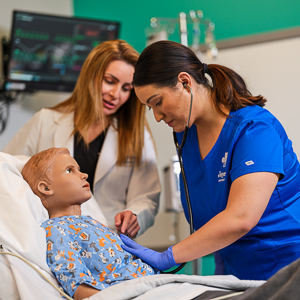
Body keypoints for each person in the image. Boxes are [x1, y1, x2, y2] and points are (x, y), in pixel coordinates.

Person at [120, 40, 300, 281]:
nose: (157, 117)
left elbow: (240, 218)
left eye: (157, 102)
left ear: (185, 82)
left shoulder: (254, 130)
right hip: (234, 271)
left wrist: (169, 257)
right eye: (149, 108)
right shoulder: (186, 135)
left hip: (287, 268)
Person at [3, 39, 160, 239]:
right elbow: (7, 173)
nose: (115, 94)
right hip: (50, 239)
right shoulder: (46, 121)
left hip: (109, 240)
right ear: (90, 77)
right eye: (110, 81)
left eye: (126, 88)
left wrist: (135, 216)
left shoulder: (137, 135)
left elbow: (146, 197)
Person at [21, 147, 161, 300]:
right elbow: (72, 277)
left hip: (152, 282)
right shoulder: (55, 229)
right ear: (46, 188)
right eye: (69, 170)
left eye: (79, 170)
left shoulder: (93, 222)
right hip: (128, 291)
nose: (84, 175)